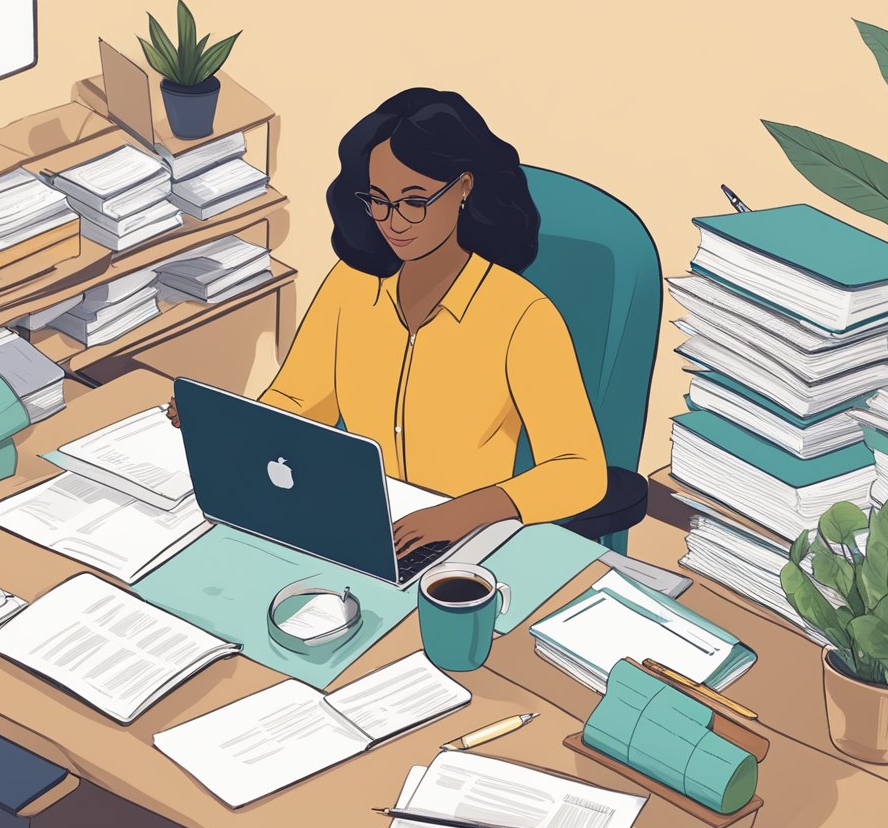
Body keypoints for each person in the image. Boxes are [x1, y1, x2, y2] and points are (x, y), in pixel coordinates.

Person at [169, 87, 607, 555]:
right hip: (352, 521)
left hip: (464, 541)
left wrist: (461, 514)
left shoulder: (524, 318)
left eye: (414, 201)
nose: (393, 221)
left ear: (463, 187)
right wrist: (230, 425)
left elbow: (579, 468)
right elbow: (300, 399)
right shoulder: (351, 286)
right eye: (379, 200)